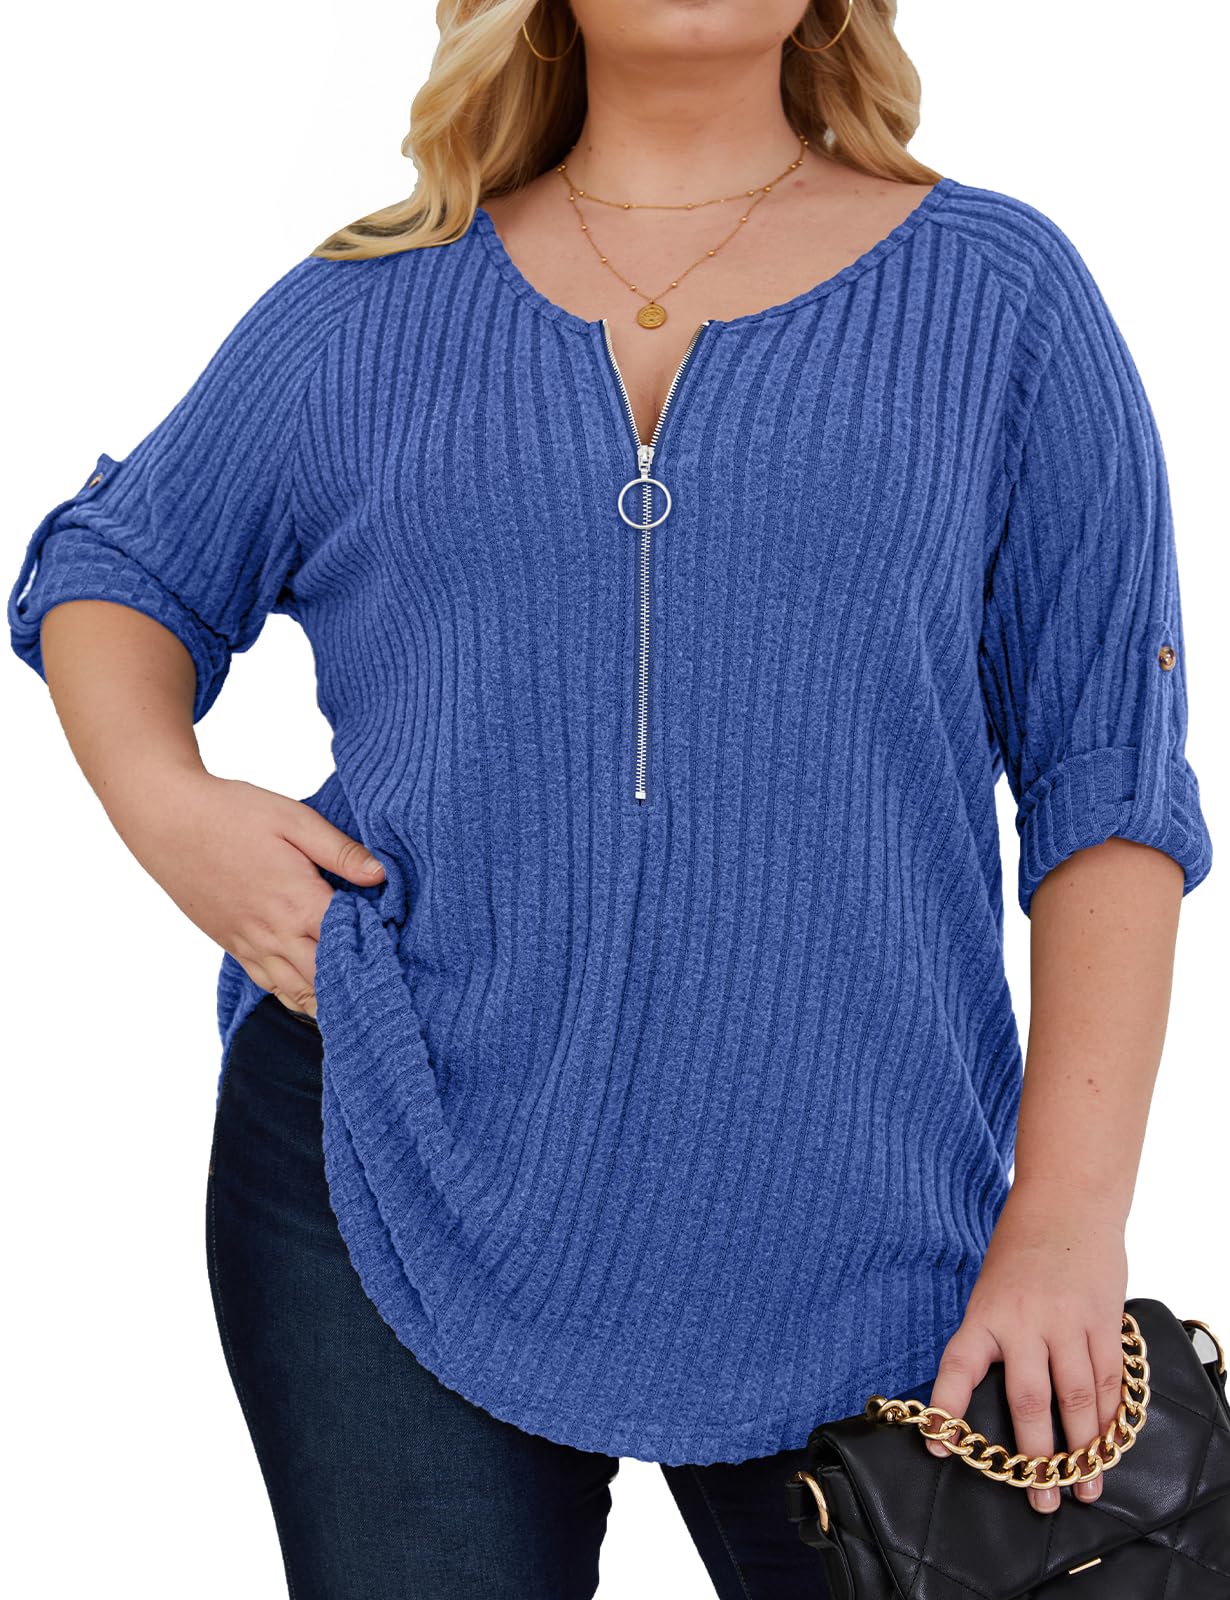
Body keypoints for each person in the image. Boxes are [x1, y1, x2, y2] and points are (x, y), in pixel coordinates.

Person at [7, 1, 1216, 1596]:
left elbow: (1101, 779)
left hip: (870, 1225)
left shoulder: (1001, 296)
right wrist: (173, 810)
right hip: (393, 1160)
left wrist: (1064, 1222)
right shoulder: (363, 306)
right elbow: (114, 569)